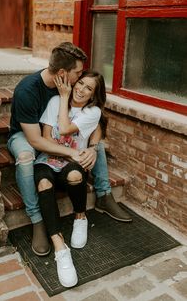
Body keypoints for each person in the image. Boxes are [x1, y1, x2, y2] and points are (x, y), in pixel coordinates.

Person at [7, 42, 131, 256]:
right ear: (63, 73)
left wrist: (91, 147)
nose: (80, 79)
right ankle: (37, 220)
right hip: (27, 135)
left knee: (95, 146)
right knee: (27, 156)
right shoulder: (28, 90)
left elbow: (96, 122)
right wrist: (74, 152)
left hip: (58, 138)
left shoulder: (68, 87)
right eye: (78, 73)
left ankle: (103, 195)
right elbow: (36, 141)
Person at [34, 70, 107, 287]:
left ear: (94, 95)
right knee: (44, 183)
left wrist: (65, 96)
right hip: (48, 159)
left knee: (76, 175)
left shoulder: (92, 112)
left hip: (72, 163)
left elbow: (64, 129)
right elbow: (47, 138)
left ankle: (80, 218)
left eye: (88, 88)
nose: (81, 89)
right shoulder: (55, 101)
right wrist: (62, 98)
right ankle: (60, 247)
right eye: (80, 83)